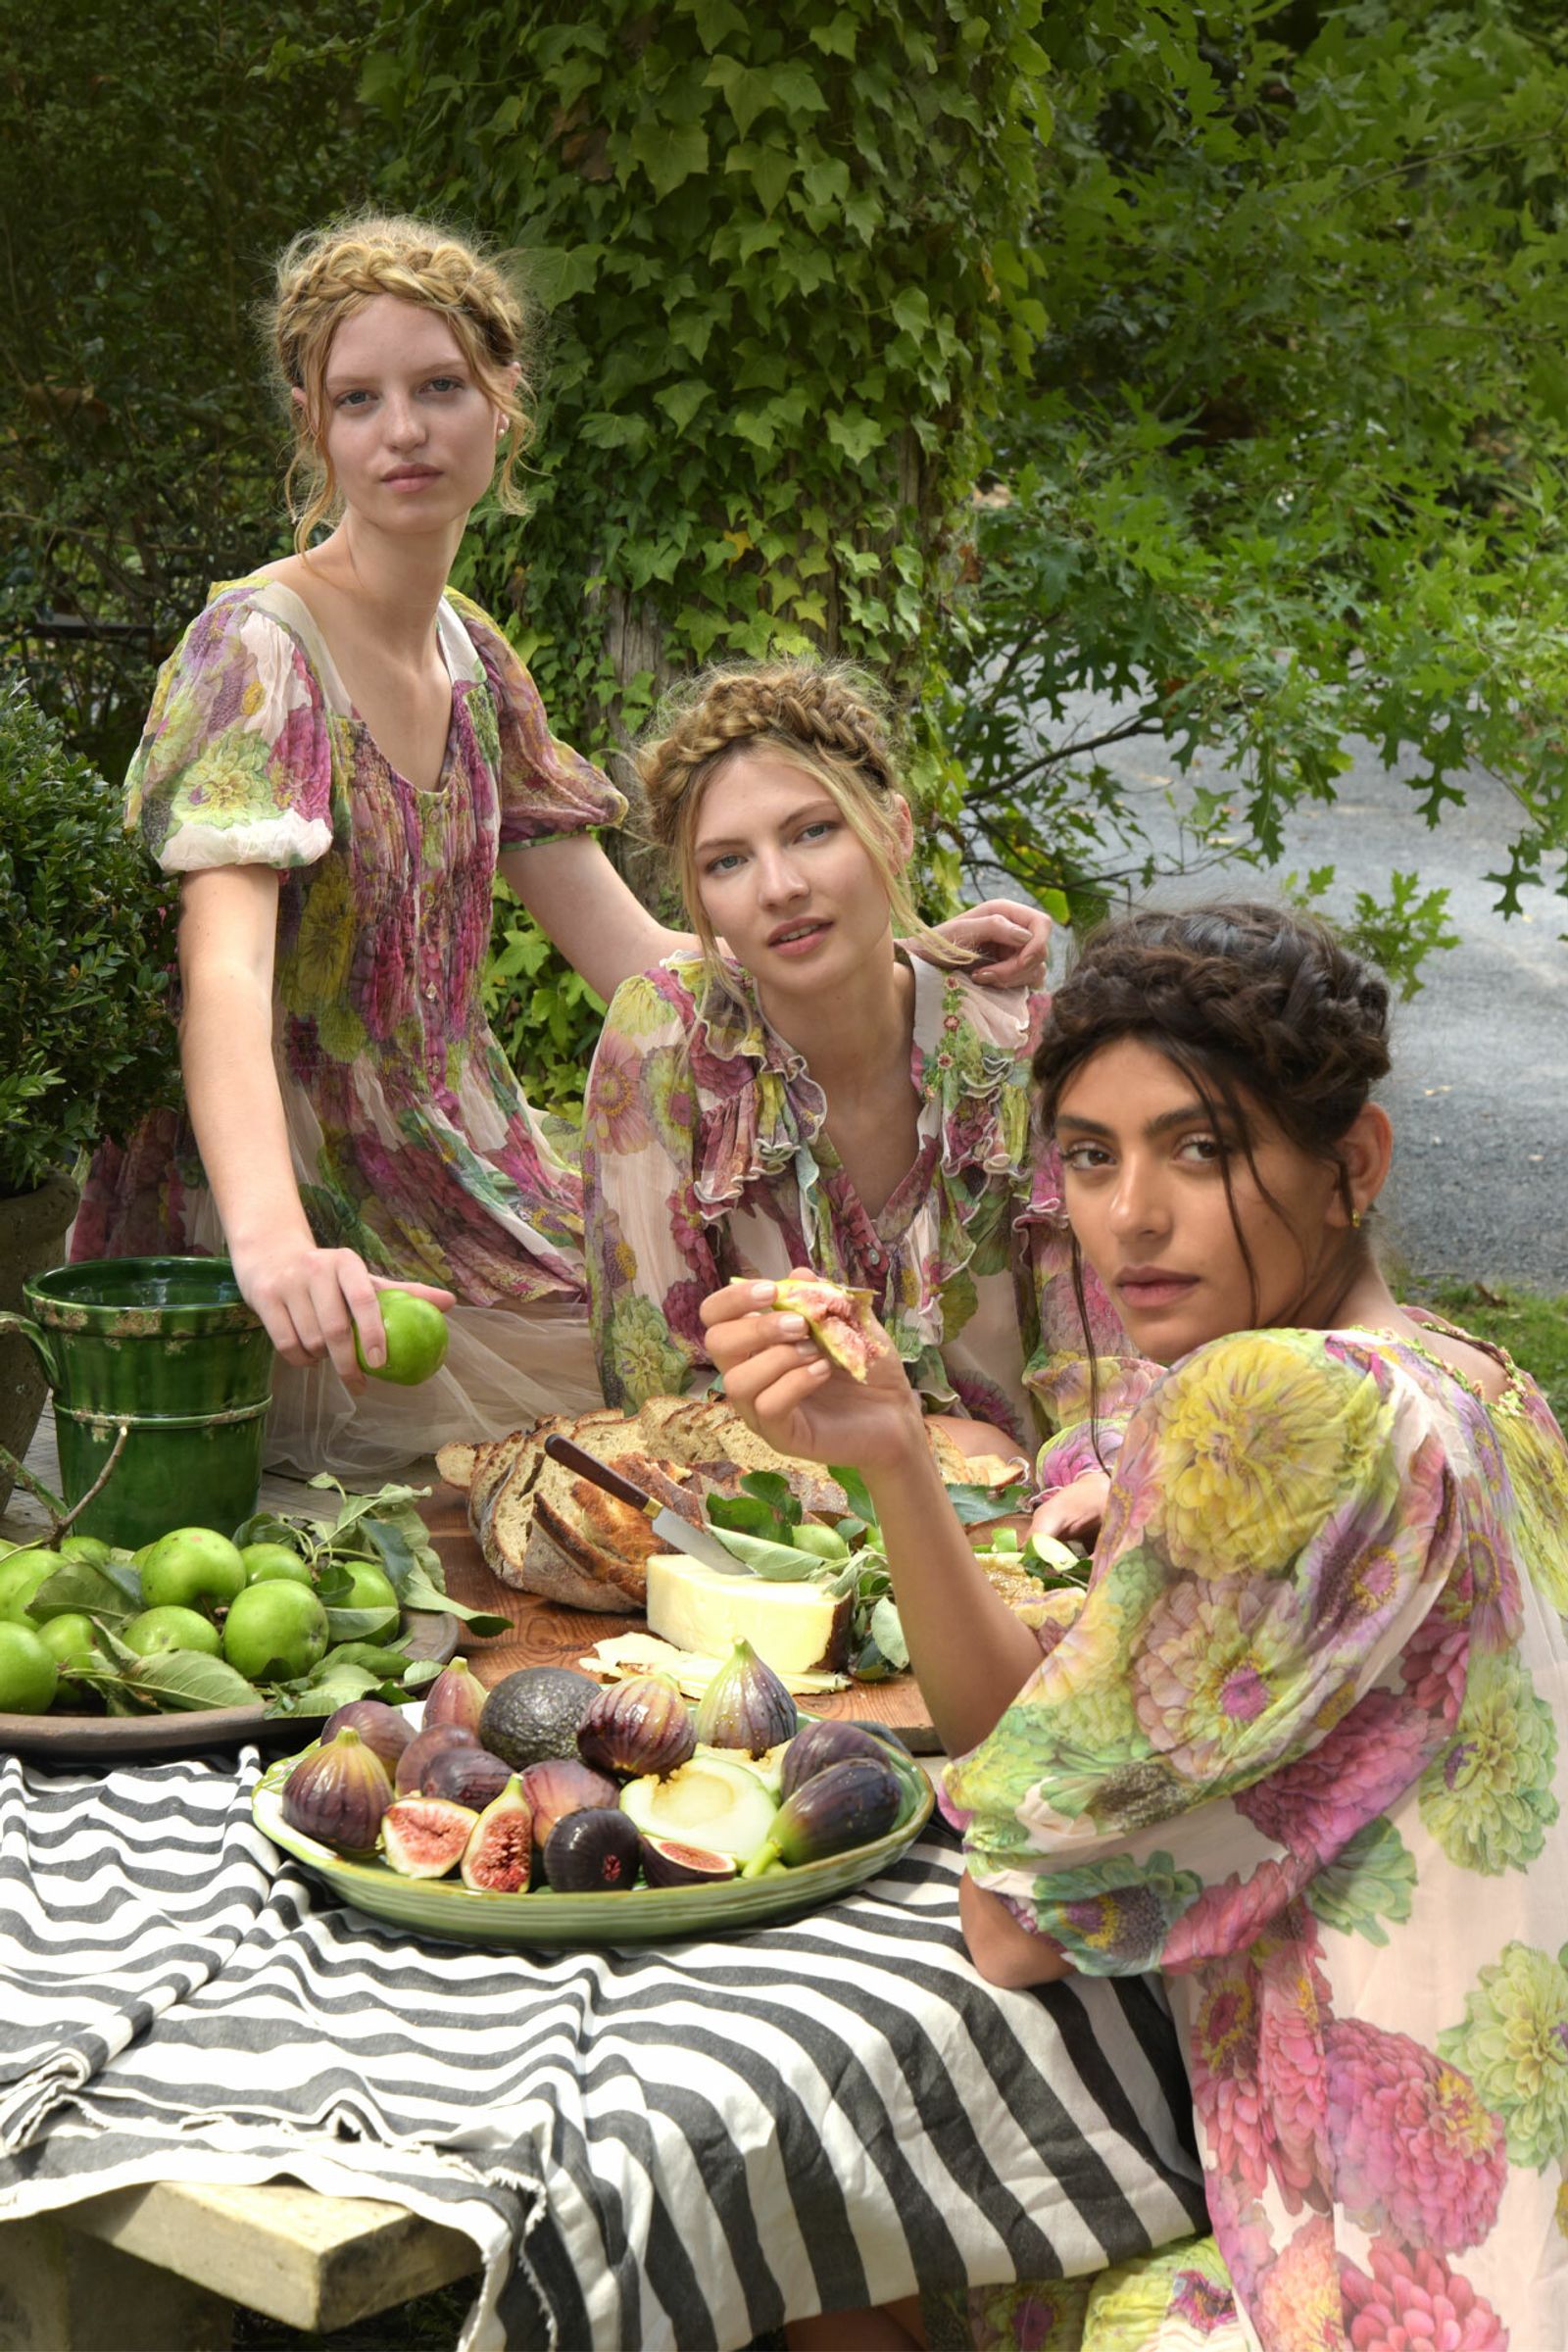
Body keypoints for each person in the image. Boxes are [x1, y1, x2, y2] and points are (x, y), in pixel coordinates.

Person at [700, 902, 1568, 2351]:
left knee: (785, 2220)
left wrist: (1025, 1815)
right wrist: (897, 1455)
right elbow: (1058, 1747)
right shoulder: (1484, 1383)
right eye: (1093, 1156)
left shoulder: (1271, 1405)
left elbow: (1014, 1920)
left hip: (1374, 2287)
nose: (1130, 1217)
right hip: (1522, 2241)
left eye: (1201, 1149)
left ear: (1353, 1166)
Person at [72, 215, 1050, 1479]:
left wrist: (893, 953)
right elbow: (225, 972)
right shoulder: (259, 650)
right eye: (358, 400)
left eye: (439, 387)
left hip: (455, 1163)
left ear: (503, 401)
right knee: (619, 1431)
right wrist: (268, 1237)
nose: (403, 431)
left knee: (696, 1358)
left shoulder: (473, 660)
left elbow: (634, 955)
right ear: (313, 425)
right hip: (289, 1175)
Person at [580, 659, 1128, 1453]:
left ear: (896, 832)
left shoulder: (1021, 1052)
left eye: (813, 831)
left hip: (1029, 1510)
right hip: (774, 1514)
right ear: (701, 901)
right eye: (726, 861)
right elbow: (656, 1395)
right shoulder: (663, 1043)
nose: (778, 887)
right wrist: (927, 1450)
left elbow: (1104, 1375)